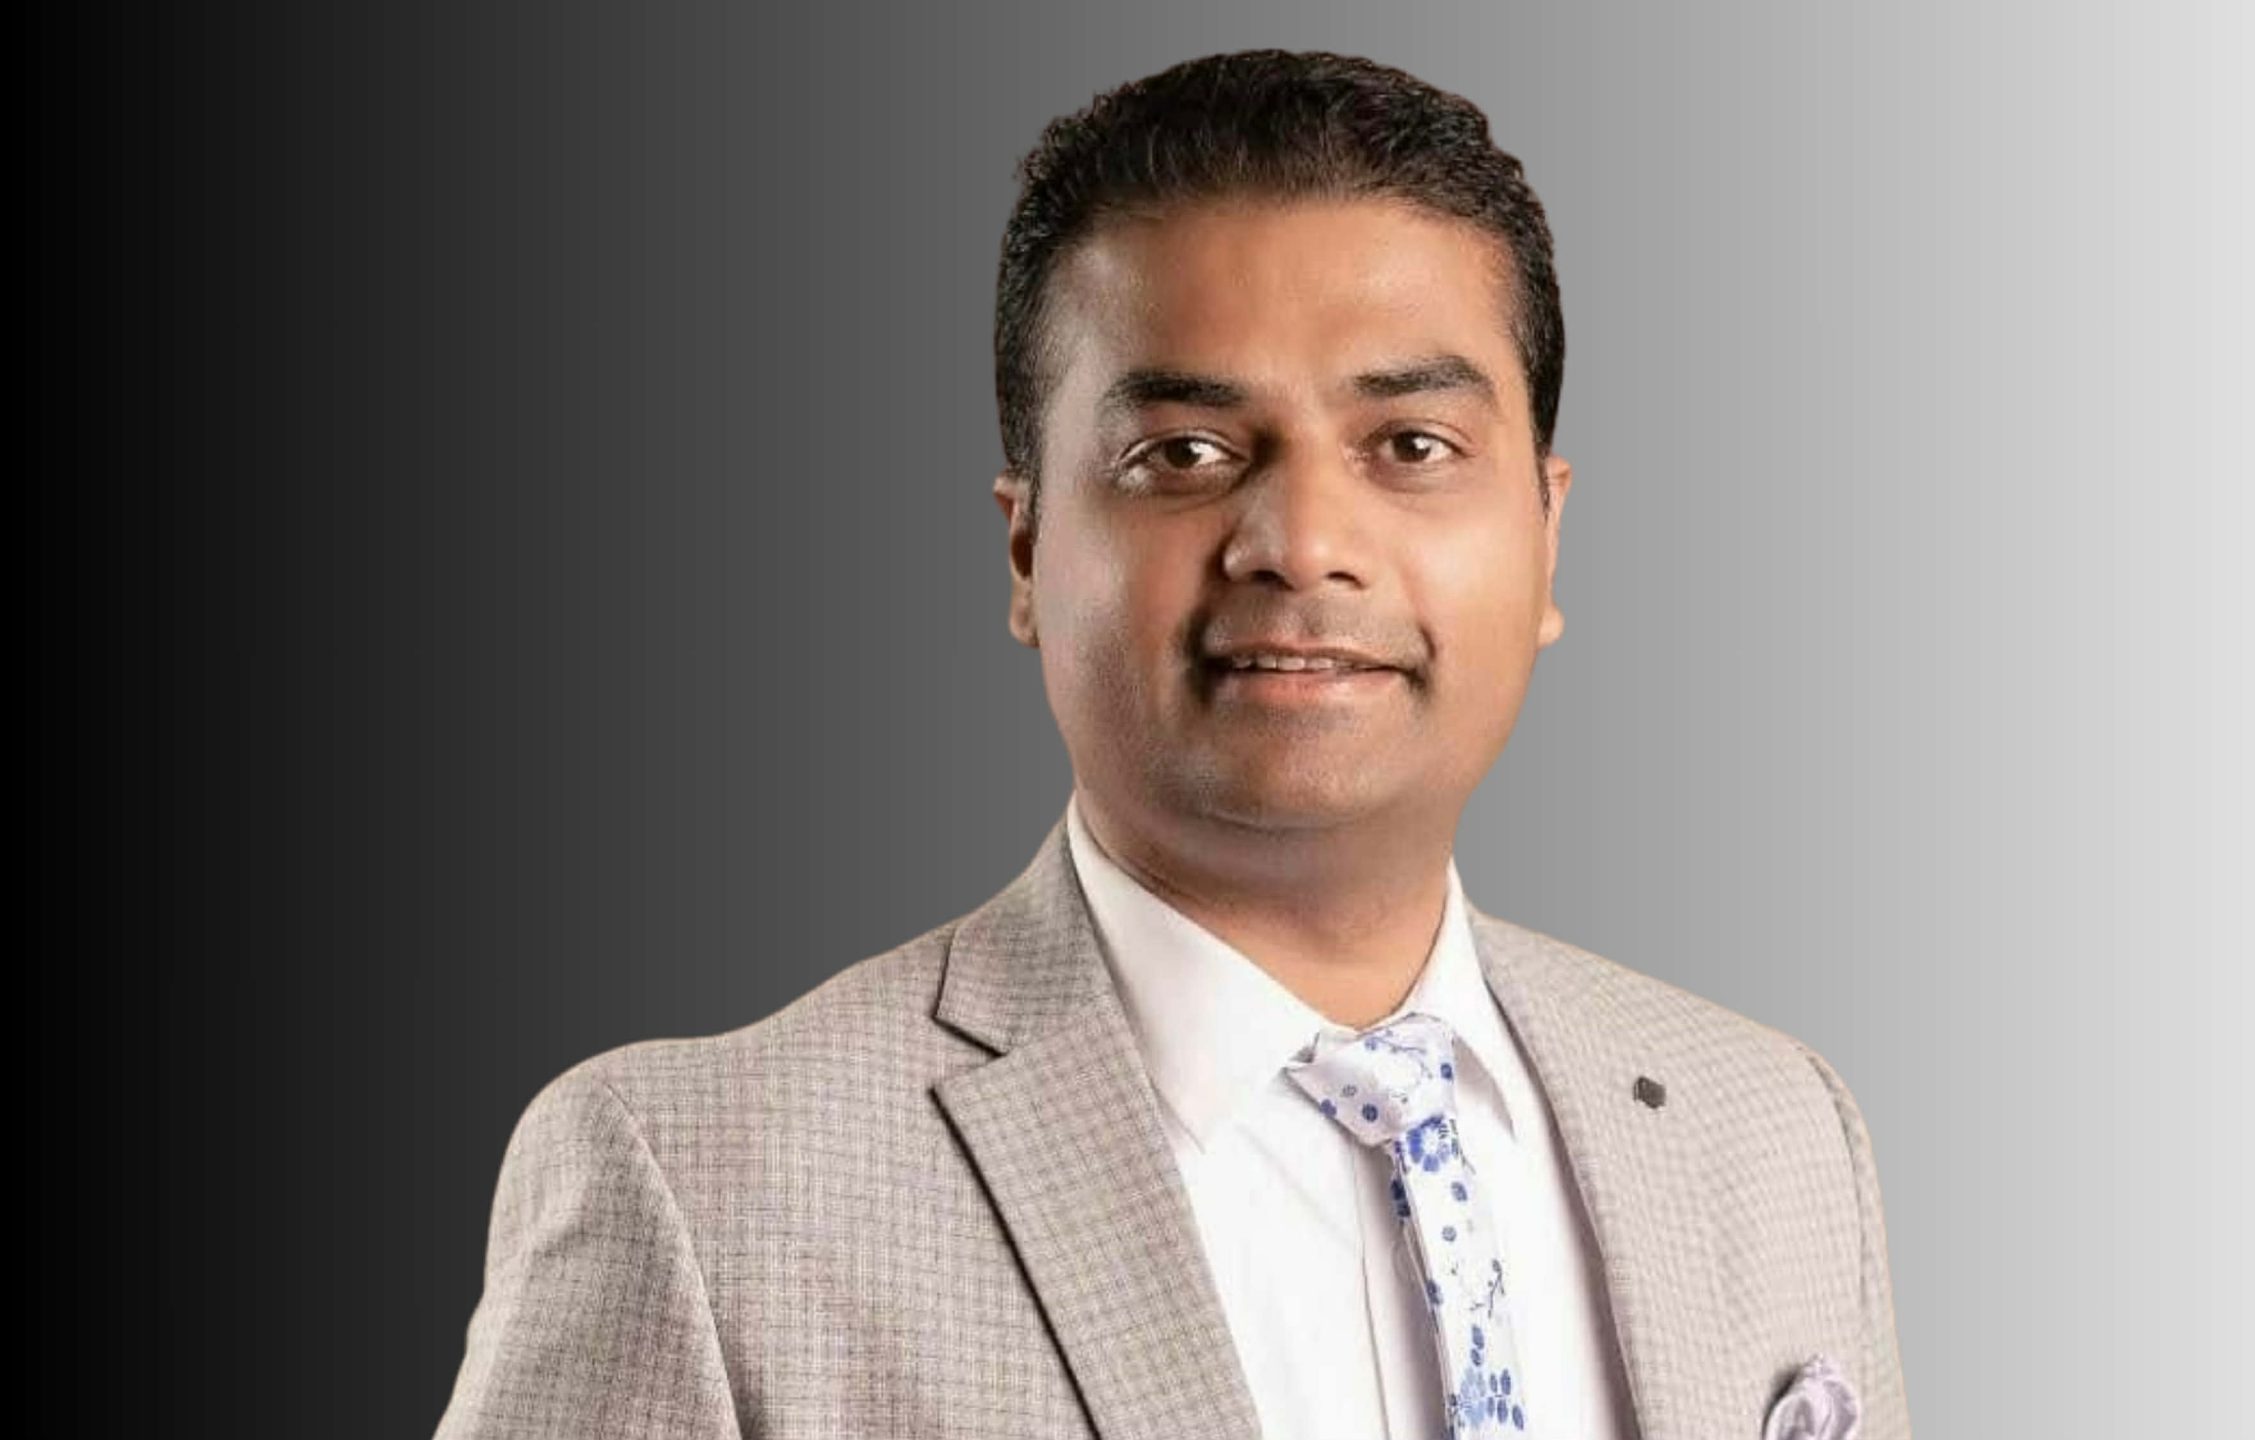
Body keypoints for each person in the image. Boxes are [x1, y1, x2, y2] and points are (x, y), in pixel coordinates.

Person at [436, 48, 1910, 1440]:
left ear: (1547, 530)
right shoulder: (702, 1189)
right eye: (1184, 455)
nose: (1304, 543)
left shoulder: (1770, 1128)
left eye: (1412, 446)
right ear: (1027, 549)